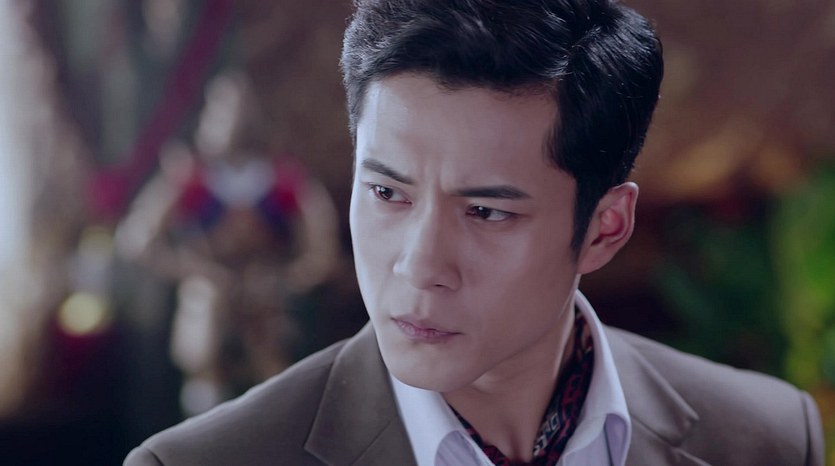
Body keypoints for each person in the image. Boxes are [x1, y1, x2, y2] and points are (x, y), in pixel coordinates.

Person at [125, 0, 824, 464]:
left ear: (603, 229)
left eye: (486, 212)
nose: (419, 265)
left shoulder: (765, 438)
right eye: (387, 193)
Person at [117, 69, 340, 416]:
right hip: (209, 295)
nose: (234, 120)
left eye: (242, 109)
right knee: (204, 359)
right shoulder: (190, 177)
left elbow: (322, 249)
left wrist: (287, 278)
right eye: (223, 110)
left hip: (266, 299)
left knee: (273, 376)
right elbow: (137, 240)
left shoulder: (284, 179)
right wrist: (194, 269)